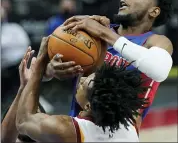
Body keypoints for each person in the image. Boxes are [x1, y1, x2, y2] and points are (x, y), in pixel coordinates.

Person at [43, 0, 173, 130]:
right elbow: (40, 75)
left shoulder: (156, 42)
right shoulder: (94, 34)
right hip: (78, 130)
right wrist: (50, 71)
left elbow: (159, 70)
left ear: (154, 11)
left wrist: (104, 33)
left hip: (120, 135)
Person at [16, 37, 148, 142]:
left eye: (84, 84)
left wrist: (40, 63)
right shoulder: (131, 121)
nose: (82, 79)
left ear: (88, 105)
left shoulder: (68, 130)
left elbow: (23, 121)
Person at [1, 47, 46, 143]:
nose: (25, 115)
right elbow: (5, 139)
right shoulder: (8, 137)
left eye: (33, 112)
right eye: (21, 112)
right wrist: (24, 86)